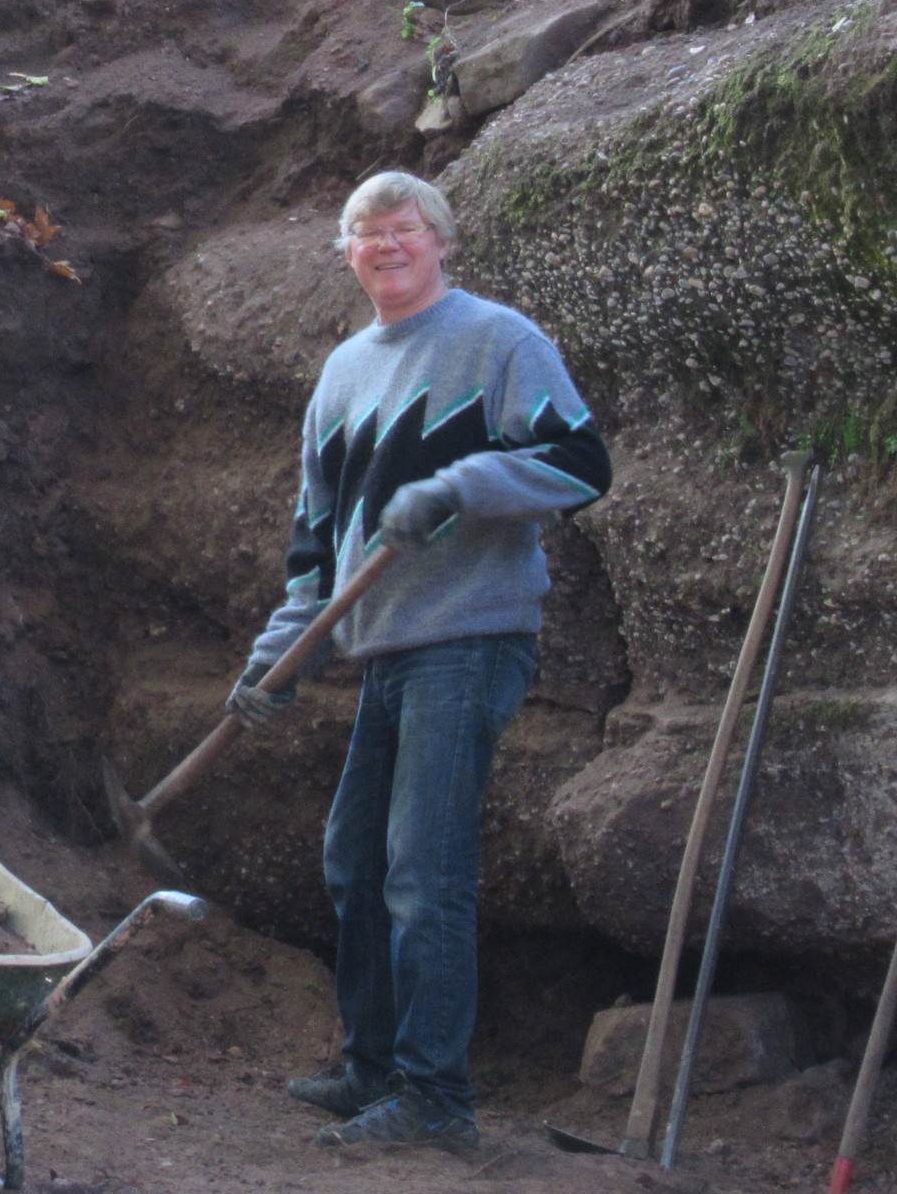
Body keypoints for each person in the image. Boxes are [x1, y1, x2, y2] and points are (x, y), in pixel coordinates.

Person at [233, 170, 611, 1156]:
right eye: (367, 232)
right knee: (355, 859)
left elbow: (581, 464)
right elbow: (318, 548)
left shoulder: (499, 341)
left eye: (405, 227)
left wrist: (462, 485)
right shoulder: (342, 375)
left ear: (443, 242)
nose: (387, 244)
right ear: (349, 255)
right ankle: (373, 1068)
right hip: (386, 650)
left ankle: (436, 1096)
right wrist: (277, 662)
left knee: (423, 869)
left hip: (468, 638)